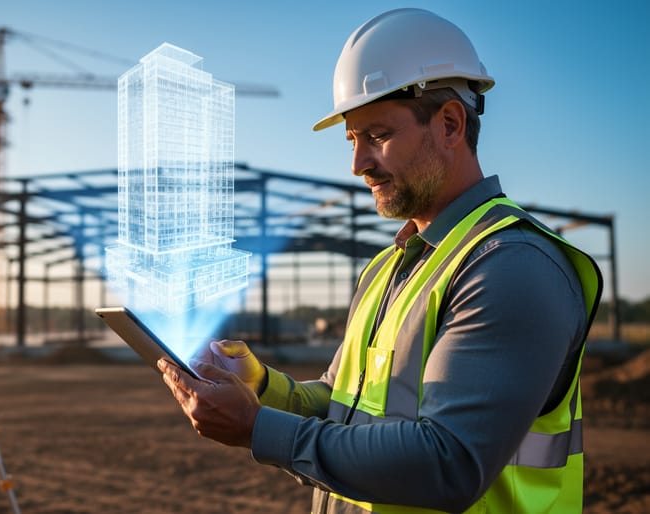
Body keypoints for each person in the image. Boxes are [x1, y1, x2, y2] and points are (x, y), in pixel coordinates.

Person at [157, 8, 602, 514]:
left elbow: (448, 463)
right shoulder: (389, 268)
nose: (357, 164)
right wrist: (259, 385)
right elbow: (344, 402)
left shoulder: (509, 267)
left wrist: (257, 428)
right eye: (352, 139)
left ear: (451, 124)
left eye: (378, 136)